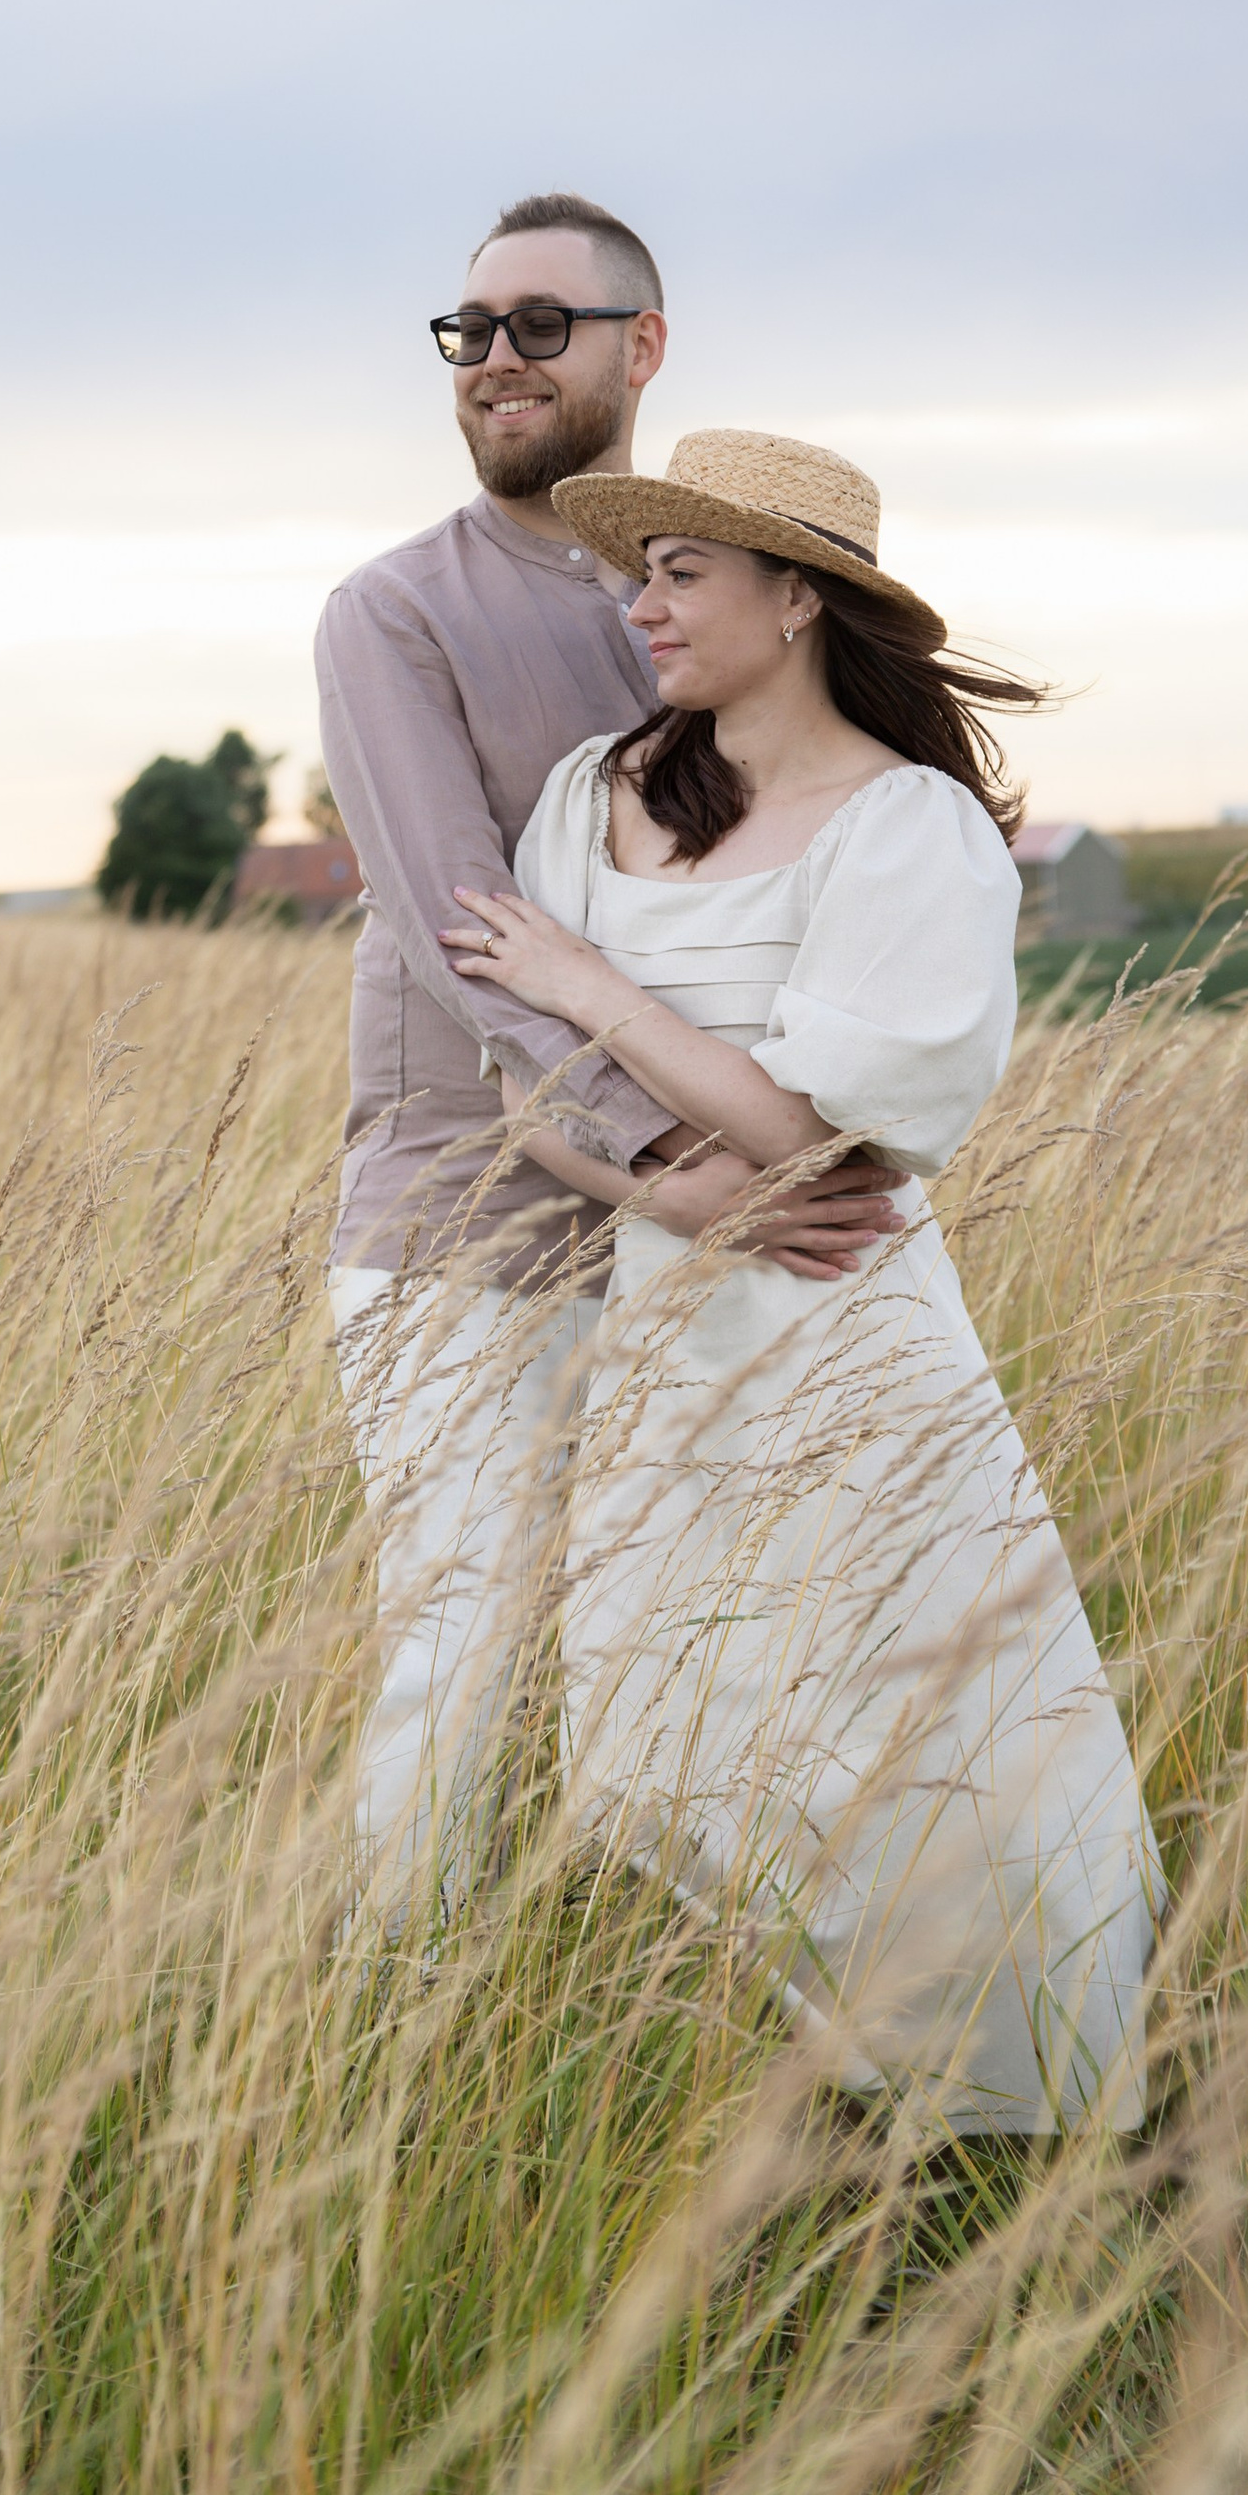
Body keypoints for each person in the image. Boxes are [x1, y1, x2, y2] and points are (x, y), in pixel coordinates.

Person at [440, 427, 1165, 2132]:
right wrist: (669, 1199)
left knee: (901, 1710)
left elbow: (826, 1136)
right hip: (664, 1328)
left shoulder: (907, 829)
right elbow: (509, 1093)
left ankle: (978, 2119)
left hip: (847, 1333)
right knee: (672, 1714)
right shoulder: (594, 798)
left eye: (684, 572)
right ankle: (744, 2118)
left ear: (800, 597)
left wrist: (585, 986)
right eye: (642, 572)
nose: (644, 606)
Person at [315, 197, 904, 1902]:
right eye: (470, 328)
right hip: (473, 1234)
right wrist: (673, 1167)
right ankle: (380, 2045)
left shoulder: (711, 600)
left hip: (730, 1227)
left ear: (641, 351)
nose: (495, 357)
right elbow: (460, 933)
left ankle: (650, 2023)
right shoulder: (395, 612)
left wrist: (790, 1151)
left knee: (690, 1657)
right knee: (468, 1657)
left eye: (540, 325)